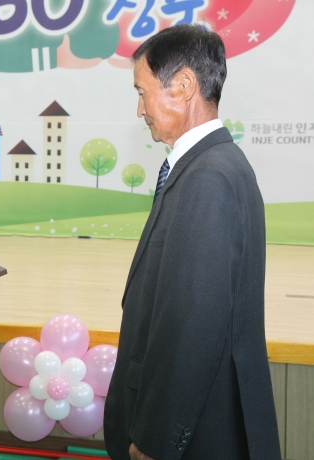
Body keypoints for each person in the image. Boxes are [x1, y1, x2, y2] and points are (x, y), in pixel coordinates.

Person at [103, 25, 280, 460]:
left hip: (199, 433)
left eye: (142, 93)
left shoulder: (207, 177)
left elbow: (193, 325)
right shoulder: (210, 164)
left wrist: (157, 441)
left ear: (183, 86)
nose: (139, 109)